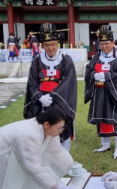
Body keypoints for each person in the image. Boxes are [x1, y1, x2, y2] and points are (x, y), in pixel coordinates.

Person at [24, 23, 77, 151]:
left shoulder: (66, 60)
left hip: (60, 102)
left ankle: (63, 158)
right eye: (47, 45)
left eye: (53, 44)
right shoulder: (37, 61)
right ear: (42, 45)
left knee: (61, 130)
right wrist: (40, 97)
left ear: (58, 43)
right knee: (41, 131)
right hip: (41, 103)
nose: (51, 48)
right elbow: (31, 82)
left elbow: (69, 82)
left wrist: (54, 96)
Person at [84, 24, 117, 159]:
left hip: (112, 93)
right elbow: (88, 71)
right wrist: (94, 75)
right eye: (102, 43)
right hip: (99, 92)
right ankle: (105, 144)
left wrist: (106, 76)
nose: (104, 46)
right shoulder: (96, 57)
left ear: (113, 43)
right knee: (101, 118)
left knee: (116, 119)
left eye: (107, 43)